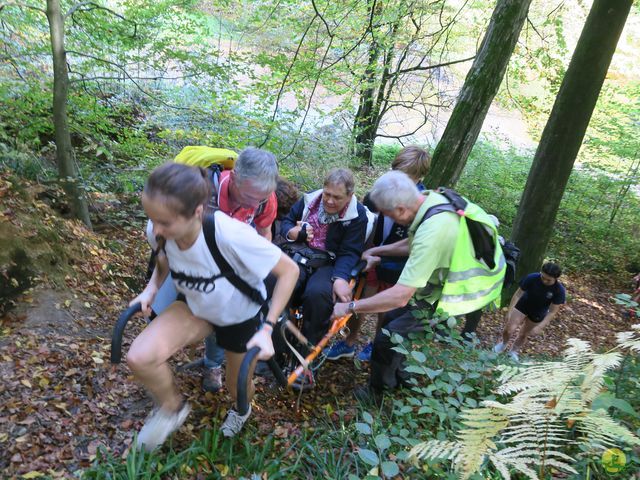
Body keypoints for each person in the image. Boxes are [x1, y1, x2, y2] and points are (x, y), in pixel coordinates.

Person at [127, 163, 298, 450]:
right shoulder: (158, 228)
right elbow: (163, 258)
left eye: (165, 222)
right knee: (140, 357)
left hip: (238, 315)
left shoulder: (230, 234)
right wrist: (152, 287)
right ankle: (171, 410)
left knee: (236, 387)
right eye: (151, 218)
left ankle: (242, 410)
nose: (156, 228)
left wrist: (267, 328)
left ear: (195, 212)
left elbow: (289, 271)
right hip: (195, 307)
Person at [152, 147, 280, 394]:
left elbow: (265, 232)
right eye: (250, 197)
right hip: (187, 261)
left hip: (231, 270)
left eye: (261, 199)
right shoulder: (202, 192)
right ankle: (159, 371)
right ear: (233, 178)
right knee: (160, 315)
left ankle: (212, 365)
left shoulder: (265, 199)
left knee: (221, 315)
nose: (255, 203)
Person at [323, 146, 430, 361]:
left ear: (419, 177)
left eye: (406, 176)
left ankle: (376, 344)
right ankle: (349, 342)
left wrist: (380, 254)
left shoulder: (421, 202)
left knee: (386, 307)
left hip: (397, 264)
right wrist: (365, 250)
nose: (399, 178)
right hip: (371, 256)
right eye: (396, 171)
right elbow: (369, 221)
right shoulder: (382, 191)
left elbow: (413, 242)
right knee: (359, 296)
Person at [281, 168, 368, 388]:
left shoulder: (357, 215)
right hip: (300, 253)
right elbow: (287, 222)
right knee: (282, 287)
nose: (329, 200)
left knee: (318, 295)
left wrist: (340, 277)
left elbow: (350, 251)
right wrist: (292, 232)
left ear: (349, 195)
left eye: (337, 197)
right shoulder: (310, 199)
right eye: (327, 193)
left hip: (330, 262)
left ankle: (305, 359)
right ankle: (277, 349)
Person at [494, 262, 566, 361]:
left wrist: (540, 326)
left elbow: (552, 311)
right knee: (509, 329)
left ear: (555, 279)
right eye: (543, 277)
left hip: (538, 312)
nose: (544, 281)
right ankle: (503, 344)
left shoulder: (559, 290)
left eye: (548, 280)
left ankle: (513, 351)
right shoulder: (532, 278)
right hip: (523, 305)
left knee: (523, 334)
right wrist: (510, 311)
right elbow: (518, 294)